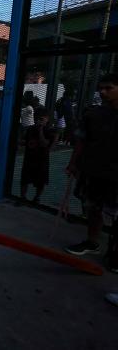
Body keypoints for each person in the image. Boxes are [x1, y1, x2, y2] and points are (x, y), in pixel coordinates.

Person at [65, 73, 118, 275]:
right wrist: (73, 164)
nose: (103, 92)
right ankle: (92, 241)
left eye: (109, 88)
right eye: (101, 88)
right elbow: (81, 141)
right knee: (93, 207)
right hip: (95, 170)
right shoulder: (93, 114)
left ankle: (115, 252)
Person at [19, 108, 57, 205]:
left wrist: (40, 130)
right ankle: (22, 197)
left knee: (40, 180)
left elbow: (45, 144)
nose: (39, 120)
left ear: (47, 119)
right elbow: (24, 141)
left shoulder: (49, 130)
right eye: (37, 118)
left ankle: (37, 198)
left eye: (41, 119)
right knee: (25, 179)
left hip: (42, 159)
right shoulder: (31, 129)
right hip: (30, 158)